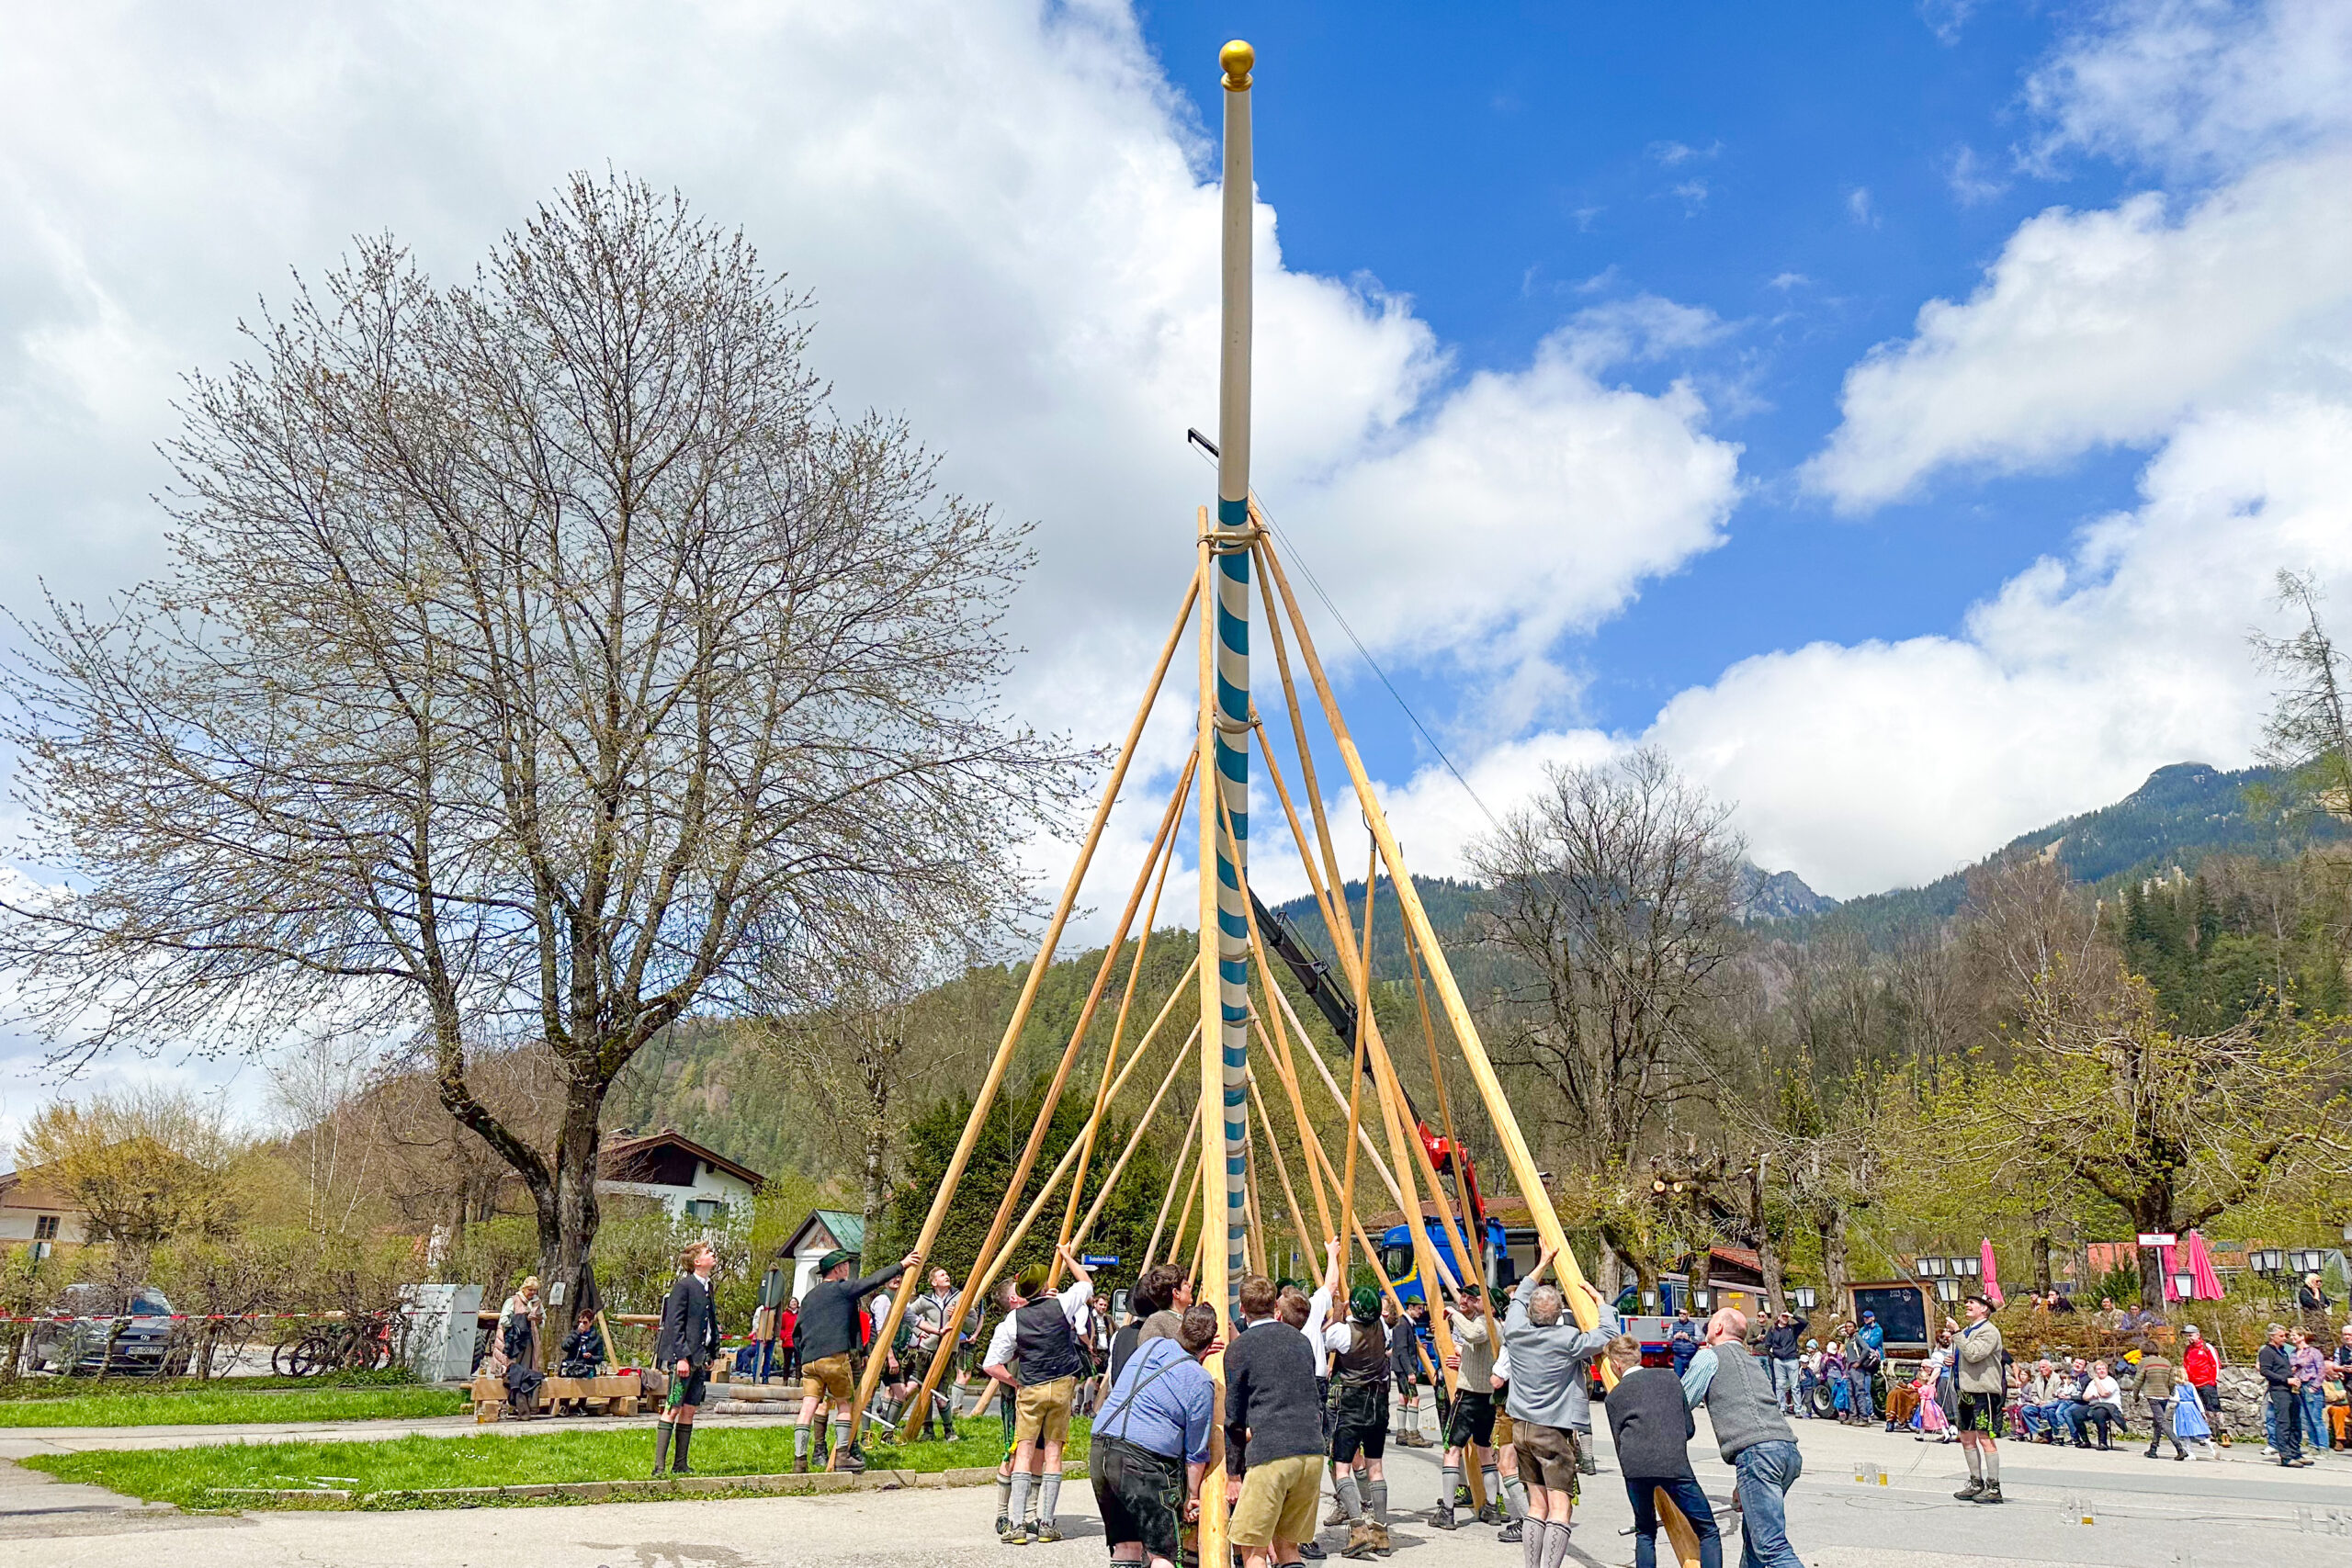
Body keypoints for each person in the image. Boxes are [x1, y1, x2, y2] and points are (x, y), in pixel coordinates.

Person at [1503, 1246, 1618, 1568]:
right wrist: (1600, 1303)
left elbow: (1518, 1298)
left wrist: (1540, 1264)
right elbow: (1607, 1334)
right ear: (1557, 1315)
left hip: (1521, 1427)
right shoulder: (1565, 1339)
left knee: (1535, 1506)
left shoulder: (1514, 1330)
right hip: (1551, 1430)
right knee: (1559, 1508)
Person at [1093, 1301, 1220, 1568]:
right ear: (1209, 1345)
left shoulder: (1151, 1346)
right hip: (1144, 1461)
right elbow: (1196, 1453)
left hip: (1102, 1448)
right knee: (1162, 1553)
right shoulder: (1200, 1381)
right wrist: (1192, 1495)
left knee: (1126, 1544)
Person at [1680, 1307, 1804, 1568]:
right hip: (1786, 1452)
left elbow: (1680, 1404)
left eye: (1710, 1324)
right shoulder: (1753, 1362)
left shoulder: (1709, 1357)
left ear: (1717, 1329)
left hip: (1758, 1455)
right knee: (1754, 1540)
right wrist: (1744, 1483)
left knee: (1771, 1547)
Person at [1227, 1272, 1329, 1568]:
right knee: (1289, 1547)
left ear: (1242, 1310)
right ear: (1275, 1307)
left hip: (1271, 1455)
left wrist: (1234, 1474)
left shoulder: (1240, 1348)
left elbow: (1234, 1417)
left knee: (1253, 1548)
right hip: (1311, 1451)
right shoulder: (1300, 1342)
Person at [994, 1247, 1094, 1542]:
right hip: (1063, 1386)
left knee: (1023, 1452)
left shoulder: (1012, 1321)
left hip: (1031, 1387)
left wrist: (1015, 1382)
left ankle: (1016, 1525)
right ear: (1045, 1287)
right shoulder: (1062, 1304)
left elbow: (990, 1364)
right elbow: (1086, 1284)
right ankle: (1047, 1523)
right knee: (1052, 1452)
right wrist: (1067, 1257)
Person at [792, 1245, 920, 1475]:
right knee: (844, 1404)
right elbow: (872, 1281)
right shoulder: (841, 1290)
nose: (848, 1270)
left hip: (809, 1361)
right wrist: (902, 1265)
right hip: (834, 1358)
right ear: (839, 1269)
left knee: (808, 1406)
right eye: (846, 1266)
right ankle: (843, 1455)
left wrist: (804, 1357)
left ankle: (799, 1460)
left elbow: (797, 1331)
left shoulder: (809, 1296)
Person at [1603, 1335, 1722, 1568]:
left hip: (1636, 1468)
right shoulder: (1670, 1378)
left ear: (1616, 1365)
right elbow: (1688, 1428)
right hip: (1673, 1464)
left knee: (1645, 1532)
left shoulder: (1614, 1397)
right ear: (1638, 1357)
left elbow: (1620, 1442)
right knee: (1707, 1530)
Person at [1319, 1280, 1392, 1558]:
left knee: (1342, 1468)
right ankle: (1382, 1532)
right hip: (1379, 1401)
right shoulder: (1382, 1327)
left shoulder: (1343, 1331)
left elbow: (1325, 1340)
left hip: (1351, 1401)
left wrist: (1337, 1313)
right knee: (1376, 1468)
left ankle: (1358, 1528)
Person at [652, 1240, 721, 1477]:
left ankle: (680, 1463)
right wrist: (681, 1356)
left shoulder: (707, 1287)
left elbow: (709, 1323)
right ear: (697, 1261)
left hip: (700, 1359)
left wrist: (712, 1352)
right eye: (708, 1253)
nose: (713, 1255)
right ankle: (659, 1466)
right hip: (683, 1359)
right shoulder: (684, 1287)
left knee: (690, 1410)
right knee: (673, 1407)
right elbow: (674, 1325)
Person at [1436, 1285, 1502, 1532]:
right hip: (1487, 1398)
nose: (1464, 1300)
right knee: (1484, 1450)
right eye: (1463, 1296)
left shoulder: (1485, 1323)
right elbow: (1478, 1348)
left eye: (1471, 1298)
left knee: (1451, 1449)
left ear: (1486, 1305)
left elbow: (1475, 1334)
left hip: (1470, 1396)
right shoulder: (1492, 1325)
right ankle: (1491, 1506)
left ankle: (1448, 1510)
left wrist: (1453, 1314)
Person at [907, 1265, 978, 1441]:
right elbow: (907, 1315)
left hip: (948, 1351)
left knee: (941, 1392)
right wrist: (917, 1332)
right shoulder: (924, 1300)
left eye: (947, 1273)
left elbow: (972, 1324)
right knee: (924, 1390)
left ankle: (949, 1430)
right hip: (927, 1350)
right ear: (933, 1282)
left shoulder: (960, 1297)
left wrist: (959, 1316)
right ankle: (928, 1430)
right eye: (942, 1275)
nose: (947, 1276)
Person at [1950, 1292, 2006, 1502]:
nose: (1967, 1305)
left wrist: (1956, 1333)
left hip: (1984, 1392)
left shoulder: (1990, 1332)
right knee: (1966, 1436)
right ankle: (1975, 1481)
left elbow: (1973, 1354)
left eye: (1972, 1302)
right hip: (1966, 1390)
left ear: (1985, 1308)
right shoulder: (1967, 1331)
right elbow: (1965, 1354)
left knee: (1985, 1436)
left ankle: (1994, 1486)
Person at [2258, 1322, 2311, 1467]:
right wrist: (2285, 1379)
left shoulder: (2282, 1350)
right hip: (2279, 1390)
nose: (2284, 1338)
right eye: (2281, 1336)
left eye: (2285, 1335)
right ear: (2272, 1336)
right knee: (2283, 1422)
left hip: (2291, 1389)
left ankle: (2295, 1452)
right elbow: (2266, 1371)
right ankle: (2286, 1456)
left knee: (2295, 1422)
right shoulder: (2267, 1351)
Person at [2132, 1345, 2186, 1461]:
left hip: (2152, 1394)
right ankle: (2153, 1449)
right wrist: (2170, 1391)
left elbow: (2138, 1380)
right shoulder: (2166, 1362)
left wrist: (2135, 1396)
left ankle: (2180, 1448)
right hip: (2164, 1394)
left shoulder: (2144, 1362)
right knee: (2158, 1421)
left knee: (2161, 1421)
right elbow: (2171, 1381)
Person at [1390, 1300, 1430, 1447]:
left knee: (1403, 1398)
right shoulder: (1402, 1325)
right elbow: (1401, 1350)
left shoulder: (1406, 1324)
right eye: (1419, 1308)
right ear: (1410, 1308)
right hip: (1404, 1368)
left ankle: (1401, 1433)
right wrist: (1410, 1372)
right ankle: (1413, 1434)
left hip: (1401, 1368)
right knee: (1415, 1398)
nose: (1421, 1312)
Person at [2181, 1325, 2225, 1445]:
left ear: (2198, 1335)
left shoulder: (2207, 1347)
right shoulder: (2188, 1349)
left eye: (2190, 1335)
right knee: (2201, 1410)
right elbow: (2186, 1365)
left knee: (2213, 1408)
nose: (2189, 1338)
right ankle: (2206, 1434)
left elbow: (2215, 1364)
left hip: (2207, 1383)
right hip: (2194, 1384)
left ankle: (2221, 1434)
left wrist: (2213, 1380)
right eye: (2187, 1336)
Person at [2292, 1327, 2329, 1455]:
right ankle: (2313, 1446)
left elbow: (2321, 1370)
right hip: (2299, 1386)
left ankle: (2323, 1447)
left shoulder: (2313, 1352)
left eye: (2295, 1335)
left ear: (2302, 1336)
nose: (2292, 1338)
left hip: (2311, 1386)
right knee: (2306, 1419)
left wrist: (2315, 1386)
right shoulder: (2293, 1353)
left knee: (2316, 1418)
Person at [2076, 1360, 2123, 1451]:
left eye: (2103, 1369)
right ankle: (2085, 1440)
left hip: (2110, 1407)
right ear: (2096, 1371)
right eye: (2099, 1369)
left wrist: (2097, 1381)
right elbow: (2085, 1397)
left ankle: (2103, 1443)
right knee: (2076, 1414)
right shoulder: (2092, 1383)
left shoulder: (2110, 1381)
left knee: (2099, 1413)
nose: (2101, 1371)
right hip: (2094, 1405)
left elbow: (2104, 1393)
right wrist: (2092, 1395)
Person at [1761, 1313, 1803, 1415]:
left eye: (1786, 1317)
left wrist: (1792, 1315)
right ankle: (1782, 1408)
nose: (1785, 1318)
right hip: (1778, 1361)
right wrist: (1774, 1356)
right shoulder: (1773, 1330)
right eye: (1783, 1316)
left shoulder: (1792, 1329)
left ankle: (1798, 1409)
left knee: (1795, 1386)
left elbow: (1804, 1323)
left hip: (1792, 1360)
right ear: (1779, 1317)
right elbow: (1767, 1345)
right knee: (1780, 1386)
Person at [558, 1308, 605, 1379]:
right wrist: (577, 1333)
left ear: (591, 1322)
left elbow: (600, 1357)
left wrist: (591, 1357)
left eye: (585, 1322)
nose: (582, 1325)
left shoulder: (596, 1338)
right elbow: (565, 1346)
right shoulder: (574, 1333)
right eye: (580, 1322)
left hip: (587, 1370)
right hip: (572, 1368)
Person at [1668, 1315, 1700, 1379]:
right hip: (1678, 1356)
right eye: (1680, 1313)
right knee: (1678, 1377)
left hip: (1691, 1356)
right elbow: (1668, 1339)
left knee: (1693, 1377)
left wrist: (1689, 1338)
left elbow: (1699, 1339)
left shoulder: (1694, 1325)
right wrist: (1675, 1337)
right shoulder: (1673, 1325)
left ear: (1687, 1315)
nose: (1682, 1315)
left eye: (1684, 1313)